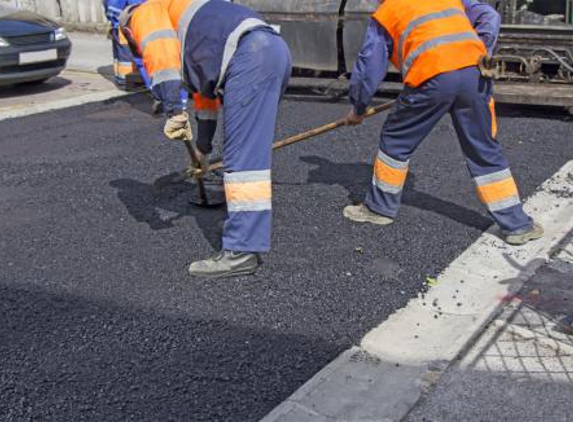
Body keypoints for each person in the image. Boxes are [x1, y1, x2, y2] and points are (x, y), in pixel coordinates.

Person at [343, 0, 543, 246]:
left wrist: (359, 106)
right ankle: (518, 225)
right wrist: (481, 52)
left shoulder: (387, 12)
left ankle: (379, 208)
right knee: (483, 148)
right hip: (474, 73)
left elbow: (369, 64)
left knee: (396, 139)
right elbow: (490, 16)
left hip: (432, 75)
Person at [119, 0, 292, 278]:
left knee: (243, 160)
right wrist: (203, 148)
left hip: (250, 56)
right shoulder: (192, 29)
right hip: (273, 50)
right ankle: (243, 229)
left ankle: (242, 251)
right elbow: (206, 99)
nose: (138, 50)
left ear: (128, 34)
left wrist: (174, 110)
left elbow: (160, 58)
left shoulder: (142, 13)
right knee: (249, 150)